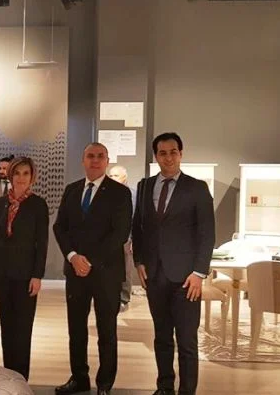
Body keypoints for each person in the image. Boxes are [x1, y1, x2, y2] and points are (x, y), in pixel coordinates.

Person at [133, 132, 215, 395]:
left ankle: (187, 391)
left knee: (187, 341)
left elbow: (207, 233)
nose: (168, 158)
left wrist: (199, 273)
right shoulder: (145, 186)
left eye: (173, 152)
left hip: (187, 278)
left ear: (181, 154)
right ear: (156, 156)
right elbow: (138, 226)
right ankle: (164, 387)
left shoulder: (197, 188)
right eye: (162, 153)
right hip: (154, 275)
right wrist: (139, 261)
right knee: (161, 337)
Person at [53, 143, 132, 395]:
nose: (95, 160)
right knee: (76, 329)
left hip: (106, 273)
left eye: (100, 156)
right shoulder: (72, 190)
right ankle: (79, 378)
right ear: (83, 160)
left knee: (106, 330)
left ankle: (104, 384)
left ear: (107, 161)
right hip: (75, 272)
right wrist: (73, 257)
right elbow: (60, 227)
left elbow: (119, 233)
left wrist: (90, 261)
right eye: (90, 156)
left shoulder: (120, 193)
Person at [0, 156, 48, 381]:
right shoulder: (0, 203)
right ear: (10, 175)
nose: (21, 178)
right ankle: (8, 375)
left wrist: (37, 275)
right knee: (7, 327)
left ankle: (21, 379)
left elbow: (42, 243)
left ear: (32, 177)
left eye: (26, 173)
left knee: (23, 329)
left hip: (25, 275)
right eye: (17, 173)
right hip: (1, 273)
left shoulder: (38, 204)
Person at [107, 165, 137, 312]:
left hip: (126, 238)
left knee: (125, 269)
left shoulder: (133, 194)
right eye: (111, 175)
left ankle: (124, 298)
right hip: (108, 238)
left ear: (124, 177)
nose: (113, 178)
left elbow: (136, 218)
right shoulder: (105, 192)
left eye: (116, 175)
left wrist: (132, 239)